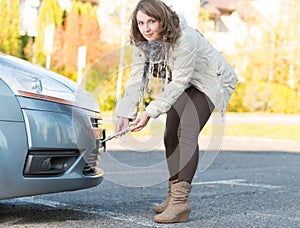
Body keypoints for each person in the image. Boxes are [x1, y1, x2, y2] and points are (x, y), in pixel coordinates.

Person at [115, 0, 238, 224]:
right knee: (170, 134)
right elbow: (136, 79)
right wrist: (125, 113)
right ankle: (172, 195)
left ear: (162, 18)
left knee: (187, 131)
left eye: (151, 21)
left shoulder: (185, 37)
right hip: (185, 81)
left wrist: (150, 112)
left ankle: (181, 203)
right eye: (141, 22)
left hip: (211, 81)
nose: (146, 28)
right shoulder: (142, 42)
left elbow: (179, 80)